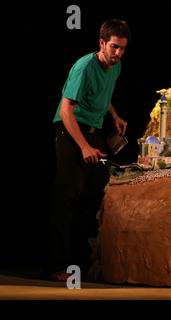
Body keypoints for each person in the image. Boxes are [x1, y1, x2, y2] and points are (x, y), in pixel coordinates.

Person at [42, 19, 131, 281]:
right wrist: (83, 147)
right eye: (114, 47)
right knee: (67, 198)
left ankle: (82, 262)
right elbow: (64, 110)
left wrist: (114, 115)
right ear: (101, 43)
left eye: (123, 48)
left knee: (96, 196)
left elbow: (105, 92)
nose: (118, 53)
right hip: (71, 131)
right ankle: (54, 266)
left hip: (95, 132)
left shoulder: (116, 65)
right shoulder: (84, 67)